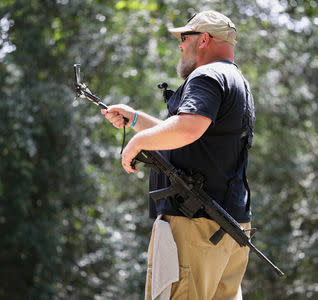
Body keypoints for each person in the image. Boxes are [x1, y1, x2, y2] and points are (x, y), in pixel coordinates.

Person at [101, 10, 255, 300]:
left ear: (204, 40)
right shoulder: (236, 81)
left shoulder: (207, 75)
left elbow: (187, 129)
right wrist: (135, 119)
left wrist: (137, 142)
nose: (180, 45)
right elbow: (190, 136)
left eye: (184, 38)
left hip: (193, 225)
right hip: (228, 227)